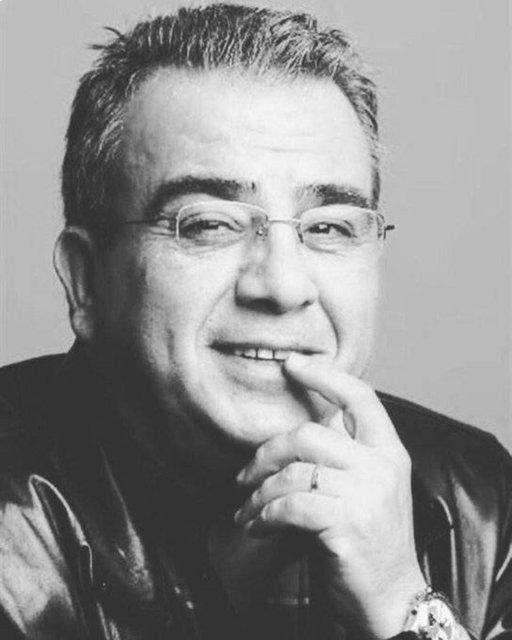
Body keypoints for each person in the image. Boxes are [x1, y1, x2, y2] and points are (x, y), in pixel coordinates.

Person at [0, 4, 510, 639]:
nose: (284, 286)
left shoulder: (477, 502)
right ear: (85, 280)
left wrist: (402, 604)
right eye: (210, 223)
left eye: (330, 227)